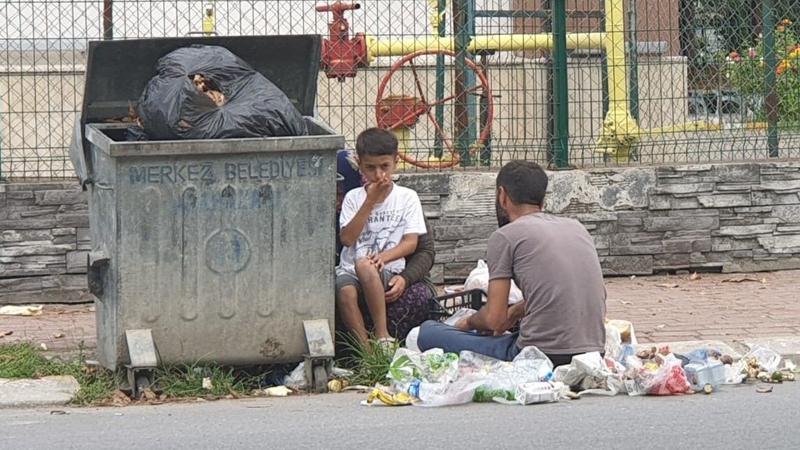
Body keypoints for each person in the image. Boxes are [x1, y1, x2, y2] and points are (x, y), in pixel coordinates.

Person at [417, 160, 607, 367]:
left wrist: (468, 322)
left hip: (539, 356)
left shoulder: (505, 236)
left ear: (502, 195)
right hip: (594, 353)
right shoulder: (577, 227)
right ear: (541, 200)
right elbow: (562, 290)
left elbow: (493, 320)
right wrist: (515, 311)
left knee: (427, 332)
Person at [336, 128, 428, 346]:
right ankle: (366, 353)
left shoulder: (407, 197)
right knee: (346, 292)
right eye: (370, 168)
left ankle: (382, 335)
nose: (378, 175)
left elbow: (411, 242)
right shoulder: (353, 198)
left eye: (384, 166)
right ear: (360, 164)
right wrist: (370, 201)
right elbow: (347, 239)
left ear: (396, 161)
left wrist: (384, 258)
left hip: (387, 270)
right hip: (349, 270)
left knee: (367, 265)